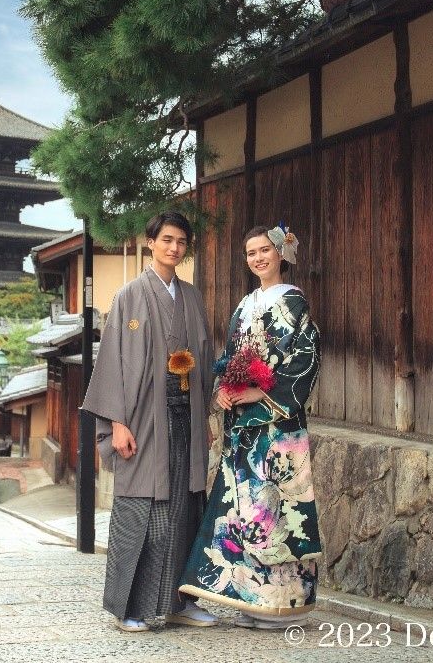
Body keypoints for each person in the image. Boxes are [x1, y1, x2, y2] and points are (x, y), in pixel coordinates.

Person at [178, 223, 322, 629]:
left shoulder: (295, 303)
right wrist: (224, 388)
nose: (258, 258)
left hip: (276, 423)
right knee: (242, 506)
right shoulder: (244, 305)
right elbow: (231, 358)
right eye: (251, 253)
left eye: (265, 250)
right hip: (241, 422)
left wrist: (261, 393)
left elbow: (305, 359)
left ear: (280, 254)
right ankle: (249, 600)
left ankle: (283, 602)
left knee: (276, 505)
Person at [81, 211, 219, 632]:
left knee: (185, 509)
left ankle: (182, 600)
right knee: (140, 509)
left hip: (186, 416)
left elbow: (206, 359)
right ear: (151, 242)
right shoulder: (129, 296)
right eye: (167, 240)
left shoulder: (192, 297)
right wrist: (117, 422)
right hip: (143, 419)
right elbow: (111, 364)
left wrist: (208, 412)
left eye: (181, 242)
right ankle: (128, 608)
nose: (174, 248)